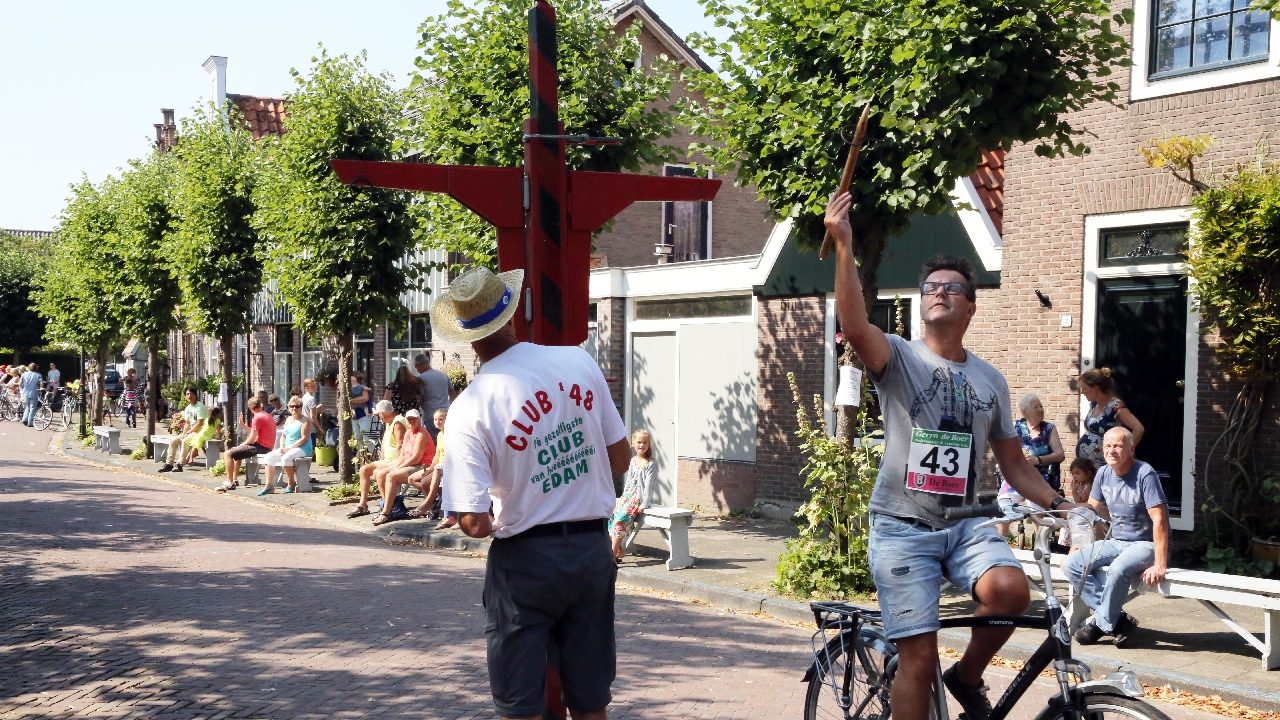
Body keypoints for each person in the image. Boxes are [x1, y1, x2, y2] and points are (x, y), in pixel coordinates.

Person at [824, 191, 1075, 720]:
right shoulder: (898, 355)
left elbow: (1014, 465)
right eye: (930, 287)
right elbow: (855, 324)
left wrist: (1062, 505)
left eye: (952, 287)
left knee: (1011, 592)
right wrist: (845, 245)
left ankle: (966, 677)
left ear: (971, 306)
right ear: (921, 303)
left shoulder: (990, 380)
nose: (939, 292)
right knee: (919, 659)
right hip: (902, 526)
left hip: (965, 522)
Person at [437, 266, 631, 720]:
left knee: (519, 705)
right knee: (590, 699)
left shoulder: (469, 406)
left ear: (467, 334)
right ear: (509, 313)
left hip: (525, 562)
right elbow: (621, 459)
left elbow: (474, 524)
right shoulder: (578, 362)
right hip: (591, 551)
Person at [1064, 427, 1168, 648]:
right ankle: (1117, 620)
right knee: (1071, 565)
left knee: (1117, 570)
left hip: (1145, 544)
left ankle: (1100, 624)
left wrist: (1160, 563)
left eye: (1118, 446)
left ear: (1131, 449)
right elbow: (1088, 513)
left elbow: (1159, 519)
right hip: (1117, 542)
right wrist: (1075, 548)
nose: (1111, 450)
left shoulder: (1145, 473)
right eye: (1108, 446)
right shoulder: (1103, 473)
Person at [347, 400, 408, 519]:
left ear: (382, 413)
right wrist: (382, 459)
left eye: (378, 414)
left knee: (379, 473)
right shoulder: (389, 422)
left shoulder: (398, 422)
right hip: (388, 459)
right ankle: (363, 505)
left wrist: (397, 465)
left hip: (396, 460)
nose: (379, 417)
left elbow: (400, 445)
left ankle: (387, 507)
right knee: (364, 470)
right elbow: (384, 443)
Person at [375, 409, 435, 526]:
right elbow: (402, 455)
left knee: (392, 476)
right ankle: (391, 507)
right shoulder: (408, 433)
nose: (411, 421)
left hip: (422, 465)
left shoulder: (422, 434)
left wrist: (398, 468)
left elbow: (416, 458)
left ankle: (386, 513)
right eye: (409, 419)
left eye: (414, 419)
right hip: (410, 464)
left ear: (419, 420)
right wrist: (396, 466)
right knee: (381, 474)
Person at [1076, 367, 1144, 466]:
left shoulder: (1116, 406)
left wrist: (1125, 452)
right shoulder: (1094, 404)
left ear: (1095, 388)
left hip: (1105, 465)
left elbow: (1139, 429)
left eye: (1084, 389)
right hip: (1088, 467)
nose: (1082, 392)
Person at [609, 430, 658, 563]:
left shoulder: (651, 463)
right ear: (633, 444)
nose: (642, 445)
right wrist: (623, 497)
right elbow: (629, 481)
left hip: (637, 499)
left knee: (620, 520)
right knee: (611, 516)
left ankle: (612, 558)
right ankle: (619, 550)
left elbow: (648, 486)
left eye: (645, 442)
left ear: (649, 445)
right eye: (639, 442)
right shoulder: (633, 461)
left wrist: (644, 504)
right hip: (628, 496)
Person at [258, 396, 313, 495]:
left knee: (286, 458)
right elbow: (283, 435)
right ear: (288, 408)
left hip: (302, 448)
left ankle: (291, 482)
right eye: (292, 406)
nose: (294, 408)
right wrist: (282, 447)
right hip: (287, 447)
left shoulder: (305, 420)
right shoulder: (288, 419)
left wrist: (290, 448)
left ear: (301, 408)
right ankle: (269, 485)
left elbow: (304, 438)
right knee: (269, 457)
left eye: (297, 406)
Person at [220, 397, 276, 492]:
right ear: (260, 405)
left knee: (227, 454)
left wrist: (241, 445)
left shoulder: (257, 418)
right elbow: (255, 432)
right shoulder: (267, 415)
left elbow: (252, 438)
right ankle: (234, 479)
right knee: (237, 453)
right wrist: (243, 425)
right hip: (267, 446)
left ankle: (229, 482)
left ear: (250, 408)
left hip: (261, 447)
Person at [408, 408, 448, 519]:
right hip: (438, 465)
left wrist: (435, 467)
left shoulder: (450, 434)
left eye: (441, 419)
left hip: (446, 465)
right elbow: (437, 455)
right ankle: (435, 500)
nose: (438, 422)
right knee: (412, 479)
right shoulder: (439, 435)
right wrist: (430, 468)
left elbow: (449, 455)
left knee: (425, 481)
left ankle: (430, 504)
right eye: (435, 419)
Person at [1062, 458, 1104, 554]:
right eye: (1073, 474)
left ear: (1088, 473)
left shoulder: (1089, 487)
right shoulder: (1080, 486)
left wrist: (1073, 490)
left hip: (1082, 515)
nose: (1074, 476)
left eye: (1077, 473)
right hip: (1076, 515)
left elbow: (1080, 501)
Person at [160, 387, 206, 472]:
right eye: (187, 394)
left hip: (200, 432)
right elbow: (187, 423)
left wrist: (188, 433)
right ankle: (169, 464)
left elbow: (199, 424)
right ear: (185, 396)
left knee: (185, 441)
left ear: (195, 395)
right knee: (173, 441)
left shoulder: (200, 407)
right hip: (191, 432)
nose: (189, 396)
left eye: (191, 394)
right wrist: (184, 433)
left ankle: (180, 464)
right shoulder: (188, 408)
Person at [414, 353, 452, 442]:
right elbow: (452, 393)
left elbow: (419, 398)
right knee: (446, 442)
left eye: (416, 366)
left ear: (420, 364)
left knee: (433, 444)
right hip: (446, 414)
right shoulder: (443, 375)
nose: (416, 369)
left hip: (431, 416)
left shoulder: (421, 378)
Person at [18, 363, 42, 427]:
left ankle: (24, 419)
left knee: (28, 406)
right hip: (34, 392)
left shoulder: (24, 374)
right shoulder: (38, 375)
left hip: (26, 392)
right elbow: (41, 383)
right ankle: (30, 422)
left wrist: (23, 389)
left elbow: (20, 384)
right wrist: (40, 390)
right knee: (32, 407)